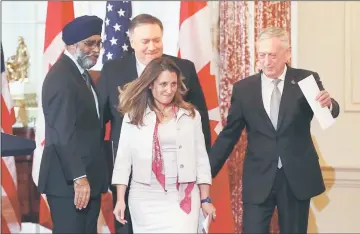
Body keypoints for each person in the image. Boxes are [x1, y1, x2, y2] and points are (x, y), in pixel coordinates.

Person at [209, 27, 340, 233]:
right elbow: (229, 135)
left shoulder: (306, 80)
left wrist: (329, 104)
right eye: (262, 55)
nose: (267, 61)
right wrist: (205, 172)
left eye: (272, 55)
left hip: (295, 178)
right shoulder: (244, 89)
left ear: (287, 54)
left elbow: (329, 113)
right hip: (259, 178)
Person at [97, 13, 211, 233]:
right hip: (135, 183)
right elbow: (99, 125)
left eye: (156, 40)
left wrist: (203, 184)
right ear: (131, 43)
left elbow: (202, 127)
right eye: (145, 41)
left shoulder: (183, 68)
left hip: (180, 184)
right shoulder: (113, 71)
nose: (152, 47)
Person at [111, 57, 215, 233]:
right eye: (163, 84)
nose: (169, 90)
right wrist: (120, 199)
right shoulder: (134, 115)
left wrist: (205, 200)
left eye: (173, 84)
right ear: (150, 85)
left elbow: (201, 160)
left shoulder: (190, 115)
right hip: (144, 198)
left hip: (182, 196)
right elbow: (123, 159)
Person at [37, 15, 108, 233]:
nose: (96, 49)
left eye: (99, 43)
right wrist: (79, 178)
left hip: (88, 181)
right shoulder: (61, 77)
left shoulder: (82, 76)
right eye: (89, 43)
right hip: (70, 183)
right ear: (72, 44)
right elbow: (62, 133)